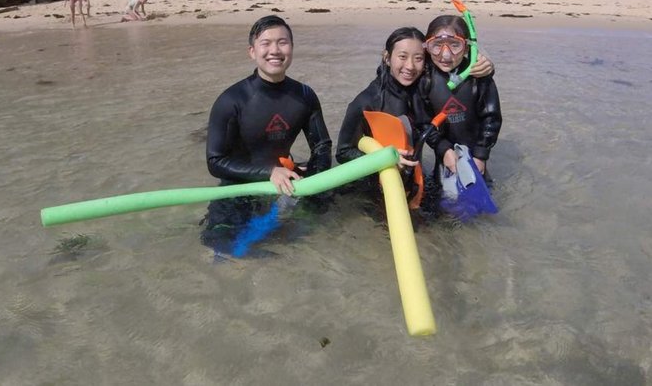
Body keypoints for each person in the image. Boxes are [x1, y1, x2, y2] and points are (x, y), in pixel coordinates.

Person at [201, 15, 333, 253]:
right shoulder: (232, 100)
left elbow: (322, 146)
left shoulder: (304, 95)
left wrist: (313, 182)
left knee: (314, 232)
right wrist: (270, 171)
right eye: (266, 43)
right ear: (252, 51)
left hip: (286, 185)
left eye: (282, 42)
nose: (275, 50)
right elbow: (215, 162)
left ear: (291, 48)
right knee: (220, 249)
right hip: (239, 189)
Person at [336, 26, 494, 217]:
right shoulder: (367, 101)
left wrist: (486, 64)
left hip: (414, 181)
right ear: (387, 57)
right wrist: (383, 161)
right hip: (377, 188)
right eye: (402, 57)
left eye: (418, 58)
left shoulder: (422, 89)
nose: (410, 66)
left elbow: (453, 65)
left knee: (452, 223)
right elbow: (343, 152)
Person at [419, 15, 502, 193]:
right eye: (437, 45)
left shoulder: (479, 77)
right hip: (443, 156)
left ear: (467, 47)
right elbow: (423, 121)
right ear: (427, 47)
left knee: (481, 200)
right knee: (436, 200)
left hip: (475, 158)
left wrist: (481, 154)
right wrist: (443, 148)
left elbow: (491, 118)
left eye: (455, 45)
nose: (445, 55)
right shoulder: (425, 79)